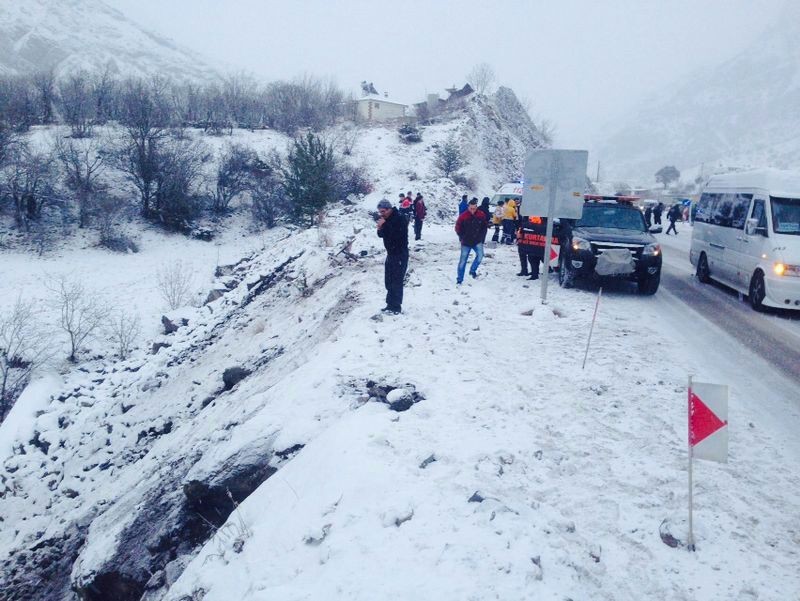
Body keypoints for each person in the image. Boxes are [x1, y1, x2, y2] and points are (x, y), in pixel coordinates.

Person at [376, 199, 409, 314]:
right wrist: (380, 227)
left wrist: (384, 225)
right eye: (380, 212)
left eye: (383, 211)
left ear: (389, 209)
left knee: (397, 281)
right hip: (391, 254)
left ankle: (396, 307)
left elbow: (396, 235)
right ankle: (389, 304)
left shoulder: (399, 218)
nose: (381, 214)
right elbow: (381, 235)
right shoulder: (387, 219)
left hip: (400, 254)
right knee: (389, 280)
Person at [454, 198, 489, 284]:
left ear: (476, 207)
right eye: (471, 208)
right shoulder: (463, 216)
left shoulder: (481, 215)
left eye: (474, 208)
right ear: (468, 207)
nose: (472, 210)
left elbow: (484, 227)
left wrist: (481, 237)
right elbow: (457, 228)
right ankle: (459, 279)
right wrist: (462, 237)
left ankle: (472, 270)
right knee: (463, 261)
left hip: (477, 240)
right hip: (466, 242)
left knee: (480, 256)